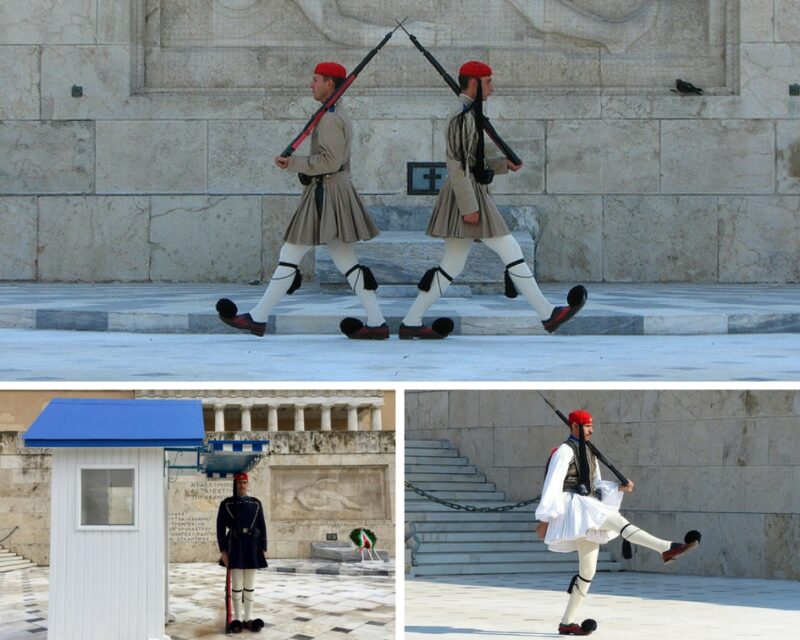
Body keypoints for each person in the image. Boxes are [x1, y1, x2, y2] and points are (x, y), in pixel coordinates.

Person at [399, 60, 586, 339]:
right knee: (510, 249)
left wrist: (502, 165)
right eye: (488, 83)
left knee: (452, 264)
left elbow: (475, 160)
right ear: (474, 84)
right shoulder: (461, 117)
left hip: (470, 191)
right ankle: (547, 314)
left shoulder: (471, 115)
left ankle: (411, 321)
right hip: (467, 196)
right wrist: (469, 207)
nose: (492, 88)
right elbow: (457, 165)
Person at [216, 61, 389, 340]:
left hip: (326, 194)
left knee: (291, 253)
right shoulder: (332, 113)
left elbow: (330, 161)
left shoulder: (331, 118)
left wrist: (294, 163)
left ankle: (258, 318)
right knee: (346, 261)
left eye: (316, 79)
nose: (311, 85)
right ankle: (377, 322)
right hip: (330, 190)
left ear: (329, 84)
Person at [535, 410, 701, 636]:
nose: (591, 430)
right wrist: (545, 518)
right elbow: (552, 484)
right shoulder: (564, 451)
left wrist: (618, 487)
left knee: (588, 571)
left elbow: (595, 484)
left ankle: (566, 623)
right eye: (587, 426)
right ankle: (665, 548)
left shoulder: (590, 451)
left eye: (591, 425)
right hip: (574, 507)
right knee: (617, 522)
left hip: (588, 505)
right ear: (574, 427)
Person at [217, 472, 268, 633]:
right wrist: (223, 551)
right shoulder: (227, 504)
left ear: (248, 484)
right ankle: (237, 619)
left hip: (252, 547)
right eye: (239, 483)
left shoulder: (256, 504)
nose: (242, 485)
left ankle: (248, 618)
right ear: (235, 484)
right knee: (237, 585)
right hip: (235, 546)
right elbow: (220, 528)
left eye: (244, 482)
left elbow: (262, 526)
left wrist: (263, 548)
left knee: (249, 585)